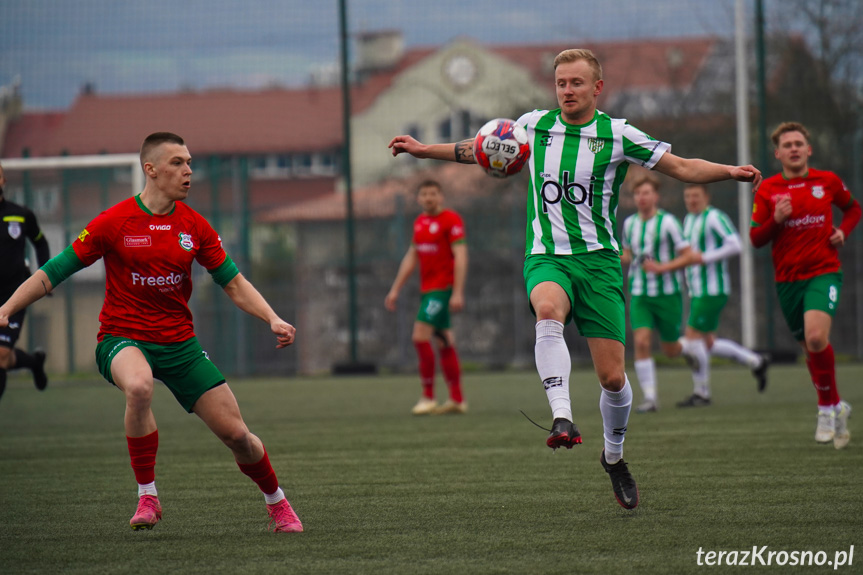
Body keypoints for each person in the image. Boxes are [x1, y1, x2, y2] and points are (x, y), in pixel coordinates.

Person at [388, 48, 761, 510]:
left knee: (612, 379)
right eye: (561, 83)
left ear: (596, 87)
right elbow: (481, 147)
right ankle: (562, 418)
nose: (567, 90)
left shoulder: (619, 134)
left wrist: (730, 172)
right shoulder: (535, 125)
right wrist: (425, 150)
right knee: (547, 309)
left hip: (601, 263)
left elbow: (682, 167)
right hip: (547, 257)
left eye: (576, 83)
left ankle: (614, 457)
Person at [0, 132, 303, 532]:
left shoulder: (195, 226)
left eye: (190, 162)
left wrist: (272, 318)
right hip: (121, 338)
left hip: (179, 345)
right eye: (178, 162)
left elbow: (232, 281)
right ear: (151, 169)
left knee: (239, 437)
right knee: (139, 386)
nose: (188, 171)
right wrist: (5, 309)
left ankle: (278, 504)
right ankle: (148, 496)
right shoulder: (113, 221)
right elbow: (54, 270)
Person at [750, 121, 860, 449]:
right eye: (788, 145)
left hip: (824, 271)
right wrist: (777, 220)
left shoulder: (826, 181)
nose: (794, 148)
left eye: (799, 143)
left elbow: (853, 209)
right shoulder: (768, 190)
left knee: (815, 338)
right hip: (787, 281)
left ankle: (826, 410)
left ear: (808, 149)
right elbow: (756, 238)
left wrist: (844, 231)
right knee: (809, 351)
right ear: (778, 153)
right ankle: (837, 404)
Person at [643, 183, 769, 407]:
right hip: (698, 290)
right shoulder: (689, 220)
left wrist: (705, 257)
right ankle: (756, 361)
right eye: (688, 196)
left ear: (706, 197)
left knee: (691, 338)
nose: (692, 200)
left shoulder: (714, 217)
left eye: (696, 196)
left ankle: (702, 393)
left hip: (712, 290)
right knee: (708, 343)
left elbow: (736, 245)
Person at [385, 180, 468, 415]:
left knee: (419, 336)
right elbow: (411, 256)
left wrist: (458, 291)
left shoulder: (451, 220)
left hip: (443, 288)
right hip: (428, 289)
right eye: (424, 194)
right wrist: (395, 289)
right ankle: (457, 399)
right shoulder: (420, 222)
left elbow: (461, 256)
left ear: (441, 197)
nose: (429, 198)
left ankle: (428, 397)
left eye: (433, 193)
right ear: (418, 199)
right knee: (443, 340)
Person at [620, 174, 698, 413]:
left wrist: (662, 267)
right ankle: (651, 398)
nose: (642, 198)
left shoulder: (668, 223)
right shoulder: (630, 224)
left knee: (670, 350)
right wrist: (611, 253)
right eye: (638, 193)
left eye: (646, 193)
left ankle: (690, 351)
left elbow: (689, 256)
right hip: (640, 294)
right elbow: (628, 255)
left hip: (668, 294)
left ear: (656, 196)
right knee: (641, 341)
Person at [0, 162, 50, 403]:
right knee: (2, 357)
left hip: (13, 295)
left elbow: (40, 242)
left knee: (0, 355)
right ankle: (33, 362)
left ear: (3, 181)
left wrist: (45, 276)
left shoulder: (19, 214)